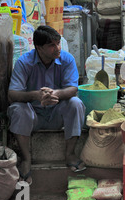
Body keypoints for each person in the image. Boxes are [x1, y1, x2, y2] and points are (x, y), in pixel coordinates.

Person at [8, 25, 86, 185]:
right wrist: (36, 95)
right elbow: (12, 94)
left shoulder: (67, 59)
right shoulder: (24, 62)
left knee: (76, 103)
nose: (57, 48)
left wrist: (55, 94)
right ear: (38, 47)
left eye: (58, 43)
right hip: (33, 116)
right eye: (51, 45)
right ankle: (26, 158)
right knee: (17, 108)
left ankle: (70, 154)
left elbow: (73, 89)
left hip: (57, 113)